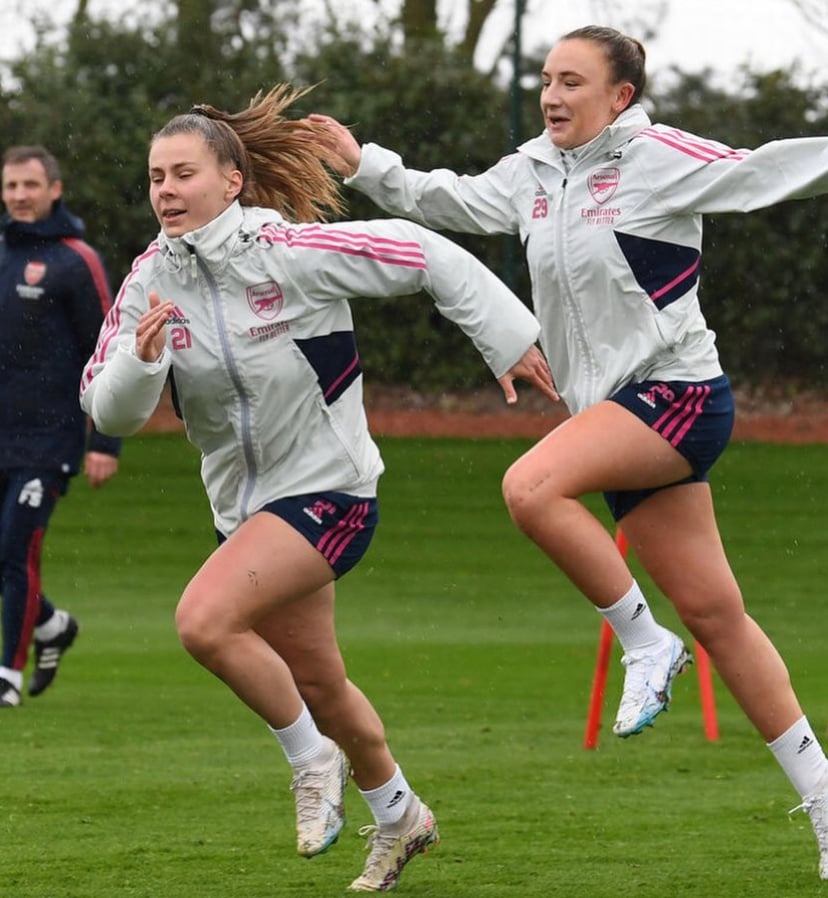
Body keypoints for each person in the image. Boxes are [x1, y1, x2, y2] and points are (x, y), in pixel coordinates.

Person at [311, 25, 828, 879]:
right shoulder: (532, 170)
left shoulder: (656, 155)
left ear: (620, 96)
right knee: (719, 618)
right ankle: (821, 798)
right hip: (620, 415)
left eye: (572, 82)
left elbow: (763, 169)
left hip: (680, 394)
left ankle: (645, 646)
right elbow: (456, 202)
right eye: (547, 79)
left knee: (531, 486)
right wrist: (365, 163)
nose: (552, 95)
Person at [79, 84, 555, 891]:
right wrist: (142, 361)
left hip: (331, 493)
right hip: (247, 515)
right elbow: (107, 409)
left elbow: (422, 251)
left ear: (231, 181)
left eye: (183, 173)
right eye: (156, 176)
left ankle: (310, 763)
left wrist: (507, 338)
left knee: (203, 621)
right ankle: (402, 814)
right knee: (321, 685)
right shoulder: (149, 281)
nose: (165, 190)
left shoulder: (289, 250)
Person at [0, 145, 120, 709]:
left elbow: (110, 349)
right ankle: (51, 626)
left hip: (48, 440)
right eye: (10, 186)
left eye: (29, 185)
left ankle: (7, 674)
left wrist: (107, 441)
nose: (19, 196)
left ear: (54, 189)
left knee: (16, 547)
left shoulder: (77, 260)